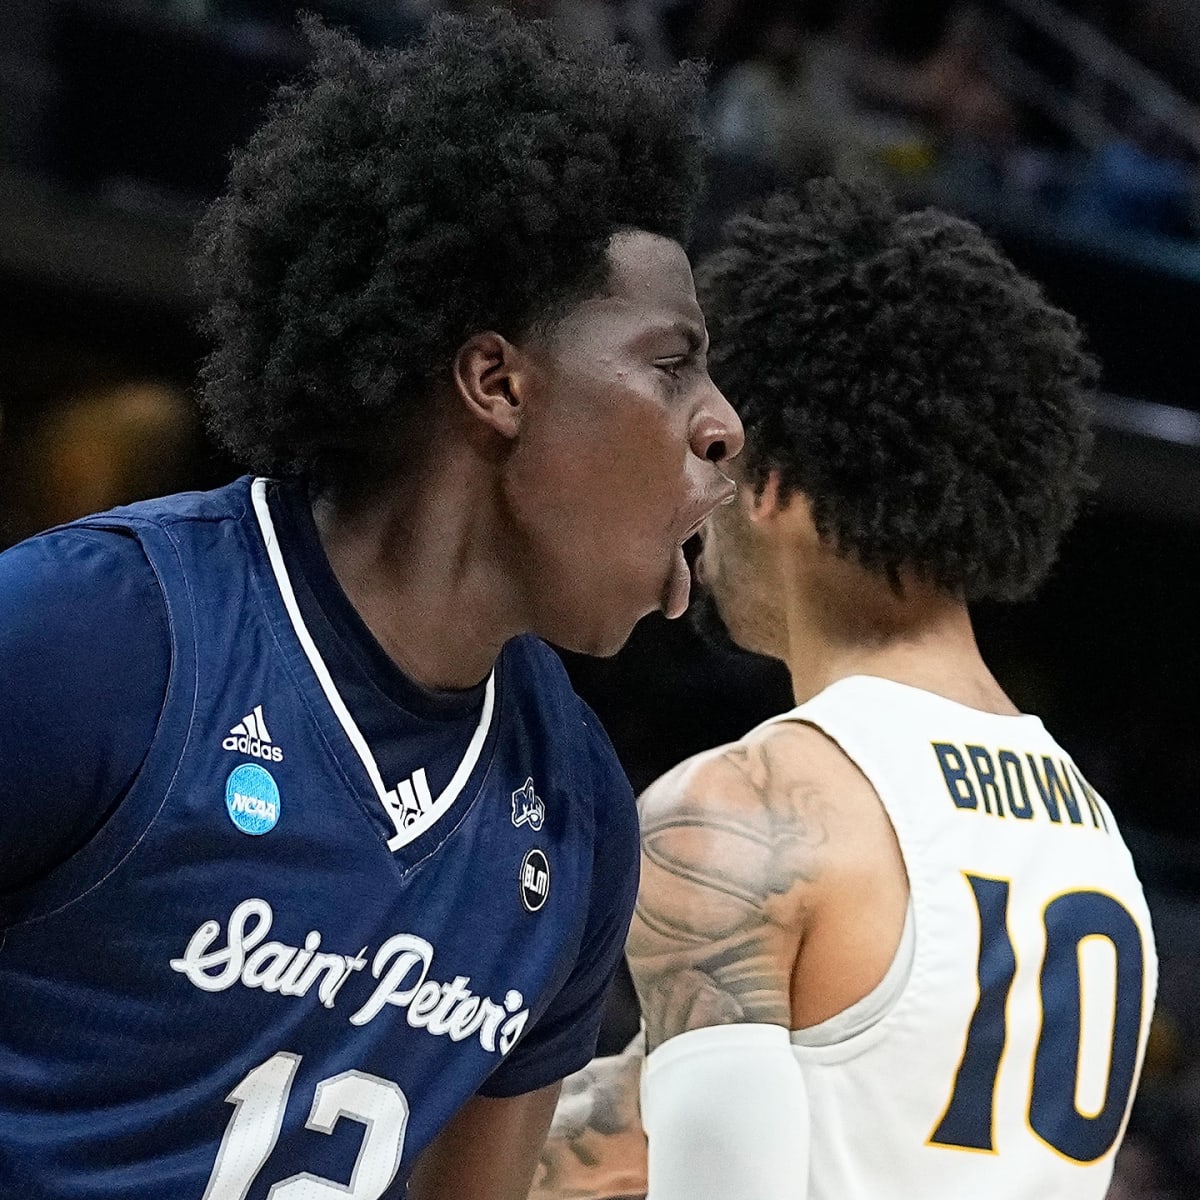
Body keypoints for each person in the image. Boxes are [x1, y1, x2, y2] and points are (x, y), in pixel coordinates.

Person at [0, 13, 743, 1199]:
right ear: (496, 381)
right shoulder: (99, 637)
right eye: (672, 363)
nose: (723, 425)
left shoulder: (580, 815)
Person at [529, 177, 1158, 1200]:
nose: (699, 495)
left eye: (719, 452)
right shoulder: (1090, 830)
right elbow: (678, 1118)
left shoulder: (741, 810)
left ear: (777, 486)